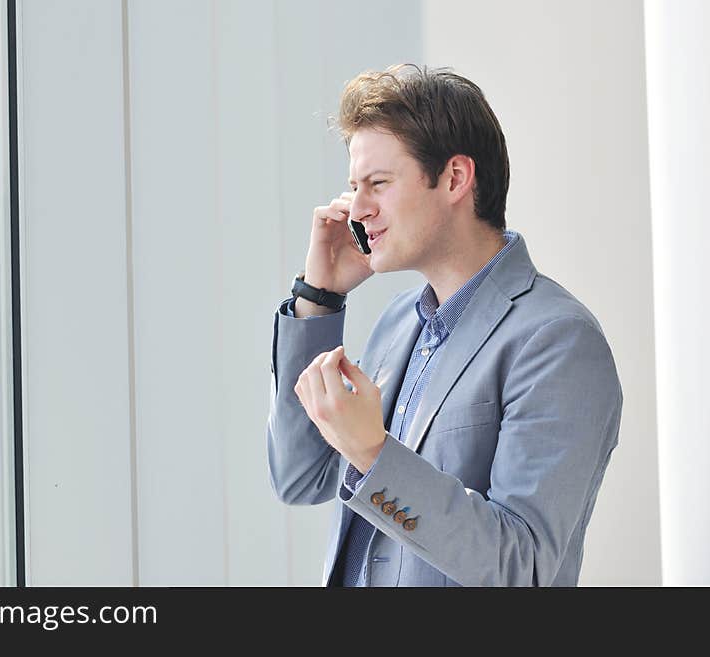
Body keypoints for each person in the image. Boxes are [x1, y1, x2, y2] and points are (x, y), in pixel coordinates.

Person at [266, 64, 622, 587]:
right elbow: (301, 477)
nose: (356, 209)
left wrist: (373, 454)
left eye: (378, 184)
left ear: (455, 178)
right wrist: (318, 301)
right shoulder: (396, 325)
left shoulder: (558, 340)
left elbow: (522, 568)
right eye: (354, 186)